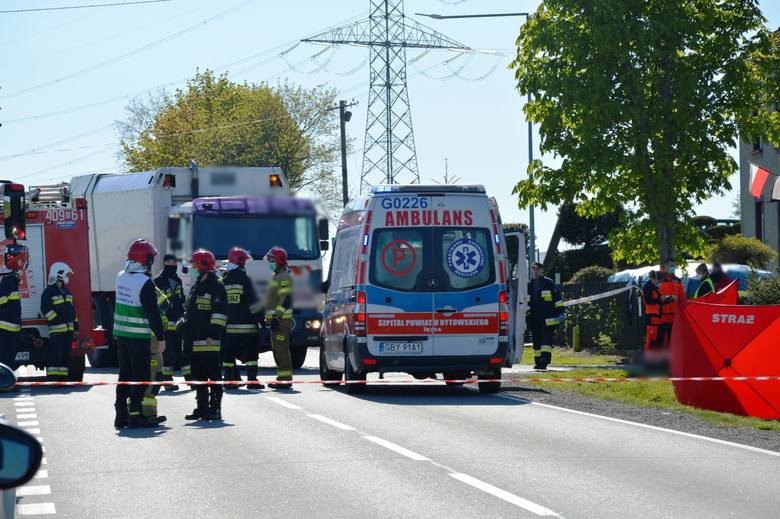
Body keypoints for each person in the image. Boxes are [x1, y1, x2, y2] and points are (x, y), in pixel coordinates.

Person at [114, 240, 166, 429]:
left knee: (124, 376)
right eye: (151, 259)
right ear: (146, 260)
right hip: (139, 337)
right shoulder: (145, 283)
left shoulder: (121, 276)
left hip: (121, 334)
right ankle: (135, 415)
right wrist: (160, 338)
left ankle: (121, 416)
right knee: (142, 377)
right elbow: (153, 313)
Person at [182, 249, 227, 421]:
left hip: (208, 341)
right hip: (194, 339)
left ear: (202, 265)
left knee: (213, 375)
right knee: (198, 375)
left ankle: (215, 409)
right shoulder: (197, 285)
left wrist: (213, 335)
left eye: (194, 264)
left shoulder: (216, 286)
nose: (192, 267)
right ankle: (201, 408)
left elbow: (220, 313)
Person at [221, 247, 265, 390]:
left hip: (229, 327)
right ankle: (252, 381)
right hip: (248, 327)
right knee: (251, 355)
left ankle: (229, 380)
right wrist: (261, 319)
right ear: (241, 262)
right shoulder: (246, 280)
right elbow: (254, 304)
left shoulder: (224, 280)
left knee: (229, 355)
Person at [154, 254, 187, 391]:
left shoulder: (177, 280)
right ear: (166, 262)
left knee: (183, 352)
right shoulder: (158, 281)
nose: (175, 264)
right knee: (168, 353)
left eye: (176, 262)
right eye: (172, 262)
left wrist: (185, 314)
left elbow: (181, 299)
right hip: (166, 324)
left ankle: (190, 379)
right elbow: (157, 304)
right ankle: (167, 381)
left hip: (178, 322)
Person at [263, 247, 294, 389]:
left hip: (281, 320)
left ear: (279, 260)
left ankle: (285, 379)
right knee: (277, 348)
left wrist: (276, 317)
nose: (270, 262)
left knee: (281, 349)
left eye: (271, 260)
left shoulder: (284, 276)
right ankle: (282, 377)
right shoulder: (278, 275)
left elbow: (286, 298)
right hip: (277, 320)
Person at [41, 262, 77, 381]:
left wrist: (76, 327)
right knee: (55, 355)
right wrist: (57, 320)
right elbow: (45, 309)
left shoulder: (67, 292)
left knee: (65, 355)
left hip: (68, 330)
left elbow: (72, 311)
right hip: (56, 330)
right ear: (59, 275)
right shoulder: (49, 292)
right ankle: (52, 378)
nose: (68, 277)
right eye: (66, 274)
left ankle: (62, 379)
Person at [141, 286, 171, 424]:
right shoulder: (147, 285)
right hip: (152, 340)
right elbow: (164, 303)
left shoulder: (132, 284)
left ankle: (139, 412)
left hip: (146, 339)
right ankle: (148, 415)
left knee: (145, 376)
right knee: (154, 376)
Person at [526, 262, 563, 370]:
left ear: (542, 270)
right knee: (536, 341)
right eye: (533, 269)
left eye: (537, 269)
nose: (535, 271)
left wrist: (560, 313)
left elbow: (557, 299)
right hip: (534, 318)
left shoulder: (548, 283)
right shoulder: (530, 284)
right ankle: (538, 361)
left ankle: (544, 361)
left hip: (548, 318)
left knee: (546, 341)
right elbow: (526, 302)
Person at [0, 244, 28, 370]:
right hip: (6, 329)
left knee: (9, 359)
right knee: (5, 359)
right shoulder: (8, 281)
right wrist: (7, 309)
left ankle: (7, 383)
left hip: (11, 329)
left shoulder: (11, 280)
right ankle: (4, 385)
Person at [658, 258, 685, 347]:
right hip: (661, 316)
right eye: (671, 266)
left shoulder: (678, 281)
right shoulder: (659, 280)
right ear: (665, 267)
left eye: (674, 266)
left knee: (674, 341)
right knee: (661, 340)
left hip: (675, 316)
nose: (673, 268)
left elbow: (682, 299)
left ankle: (673, 359)